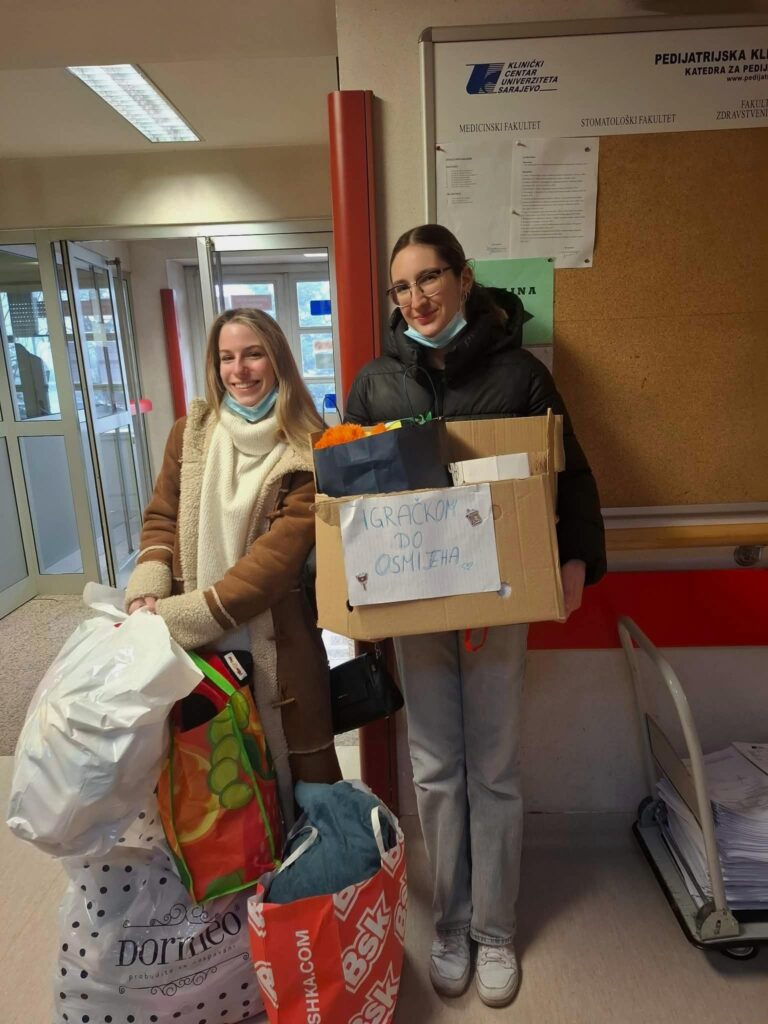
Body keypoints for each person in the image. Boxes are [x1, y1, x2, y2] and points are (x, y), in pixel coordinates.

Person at [345, 224, 606, 1008]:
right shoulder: (376, 384)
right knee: (433, 767)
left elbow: (572, 472)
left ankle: (494, 929)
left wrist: (575, 559)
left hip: (499, 594)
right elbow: (344, 490)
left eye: (429, 278)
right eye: (401, 287)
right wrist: (348, 589)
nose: (416, 298)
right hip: (418, 597)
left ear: (462, 279)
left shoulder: (520, 375)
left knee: (492, 767)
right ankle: (450, 925)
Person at [125, 307, 341, 826]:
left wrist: (176, 617)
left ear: (278, 360)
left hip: (279, 647)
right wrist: (148, 588)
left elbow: (274, 565)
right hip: (196, 649)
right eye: (226, 358)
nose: (238, 370)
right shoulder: (191, 433)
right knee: (212, 787)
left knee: (294, 792)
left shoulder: (311, 445)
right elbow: (162, 517)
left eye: (252, 354)